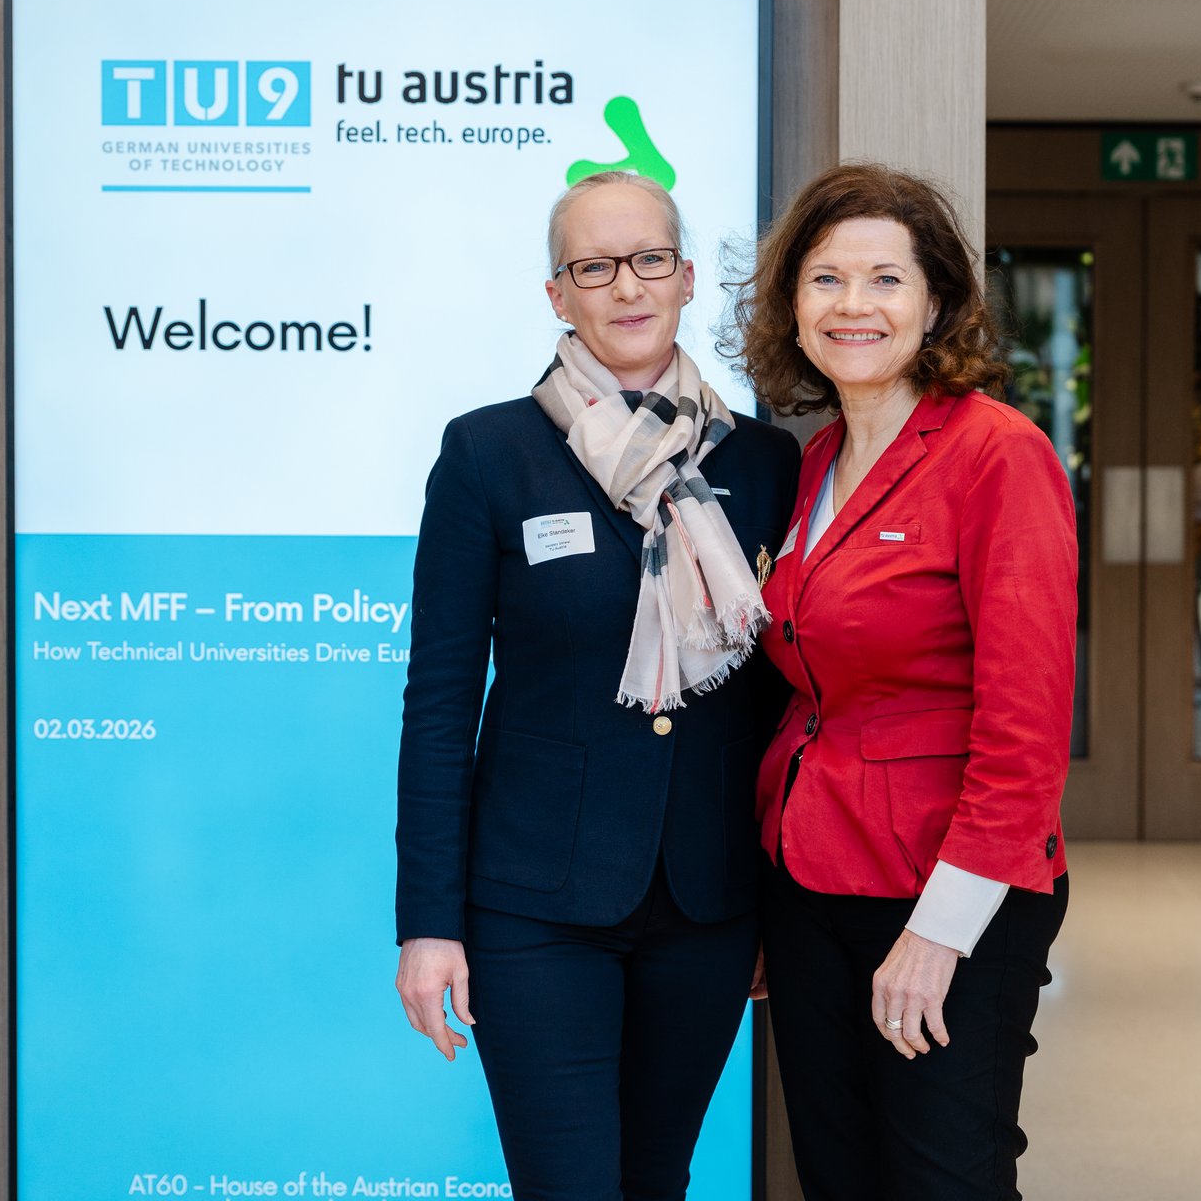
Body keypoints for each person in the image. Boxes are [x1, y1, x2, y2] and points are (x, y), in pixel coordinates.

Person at [393, 170, 800, 1201]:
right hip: (536, 903)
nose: (627, 286)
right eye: (594, 266)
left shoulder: (759, 460)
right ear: (556, 293)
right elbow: (439, 703)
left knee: (655, 1179)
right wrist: (427, 923)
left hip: (706, 902)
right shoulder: (489, 452)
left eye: (650, 260)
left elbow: (773, 696)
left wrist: (769, 909)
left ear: (687, 277)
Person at [731, 162, 1079, 1200]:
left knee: (943, 1179)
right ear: (792, 304)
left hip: (942, 887)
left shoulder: (996, 455)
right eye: (826, 279)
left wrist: (939, 929)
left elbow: (1026, 726)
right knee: (839, 1175)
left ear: (936, 301)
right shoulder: (815, 462)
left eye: (885, 278)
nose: (853, 305)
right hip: (808, 881)